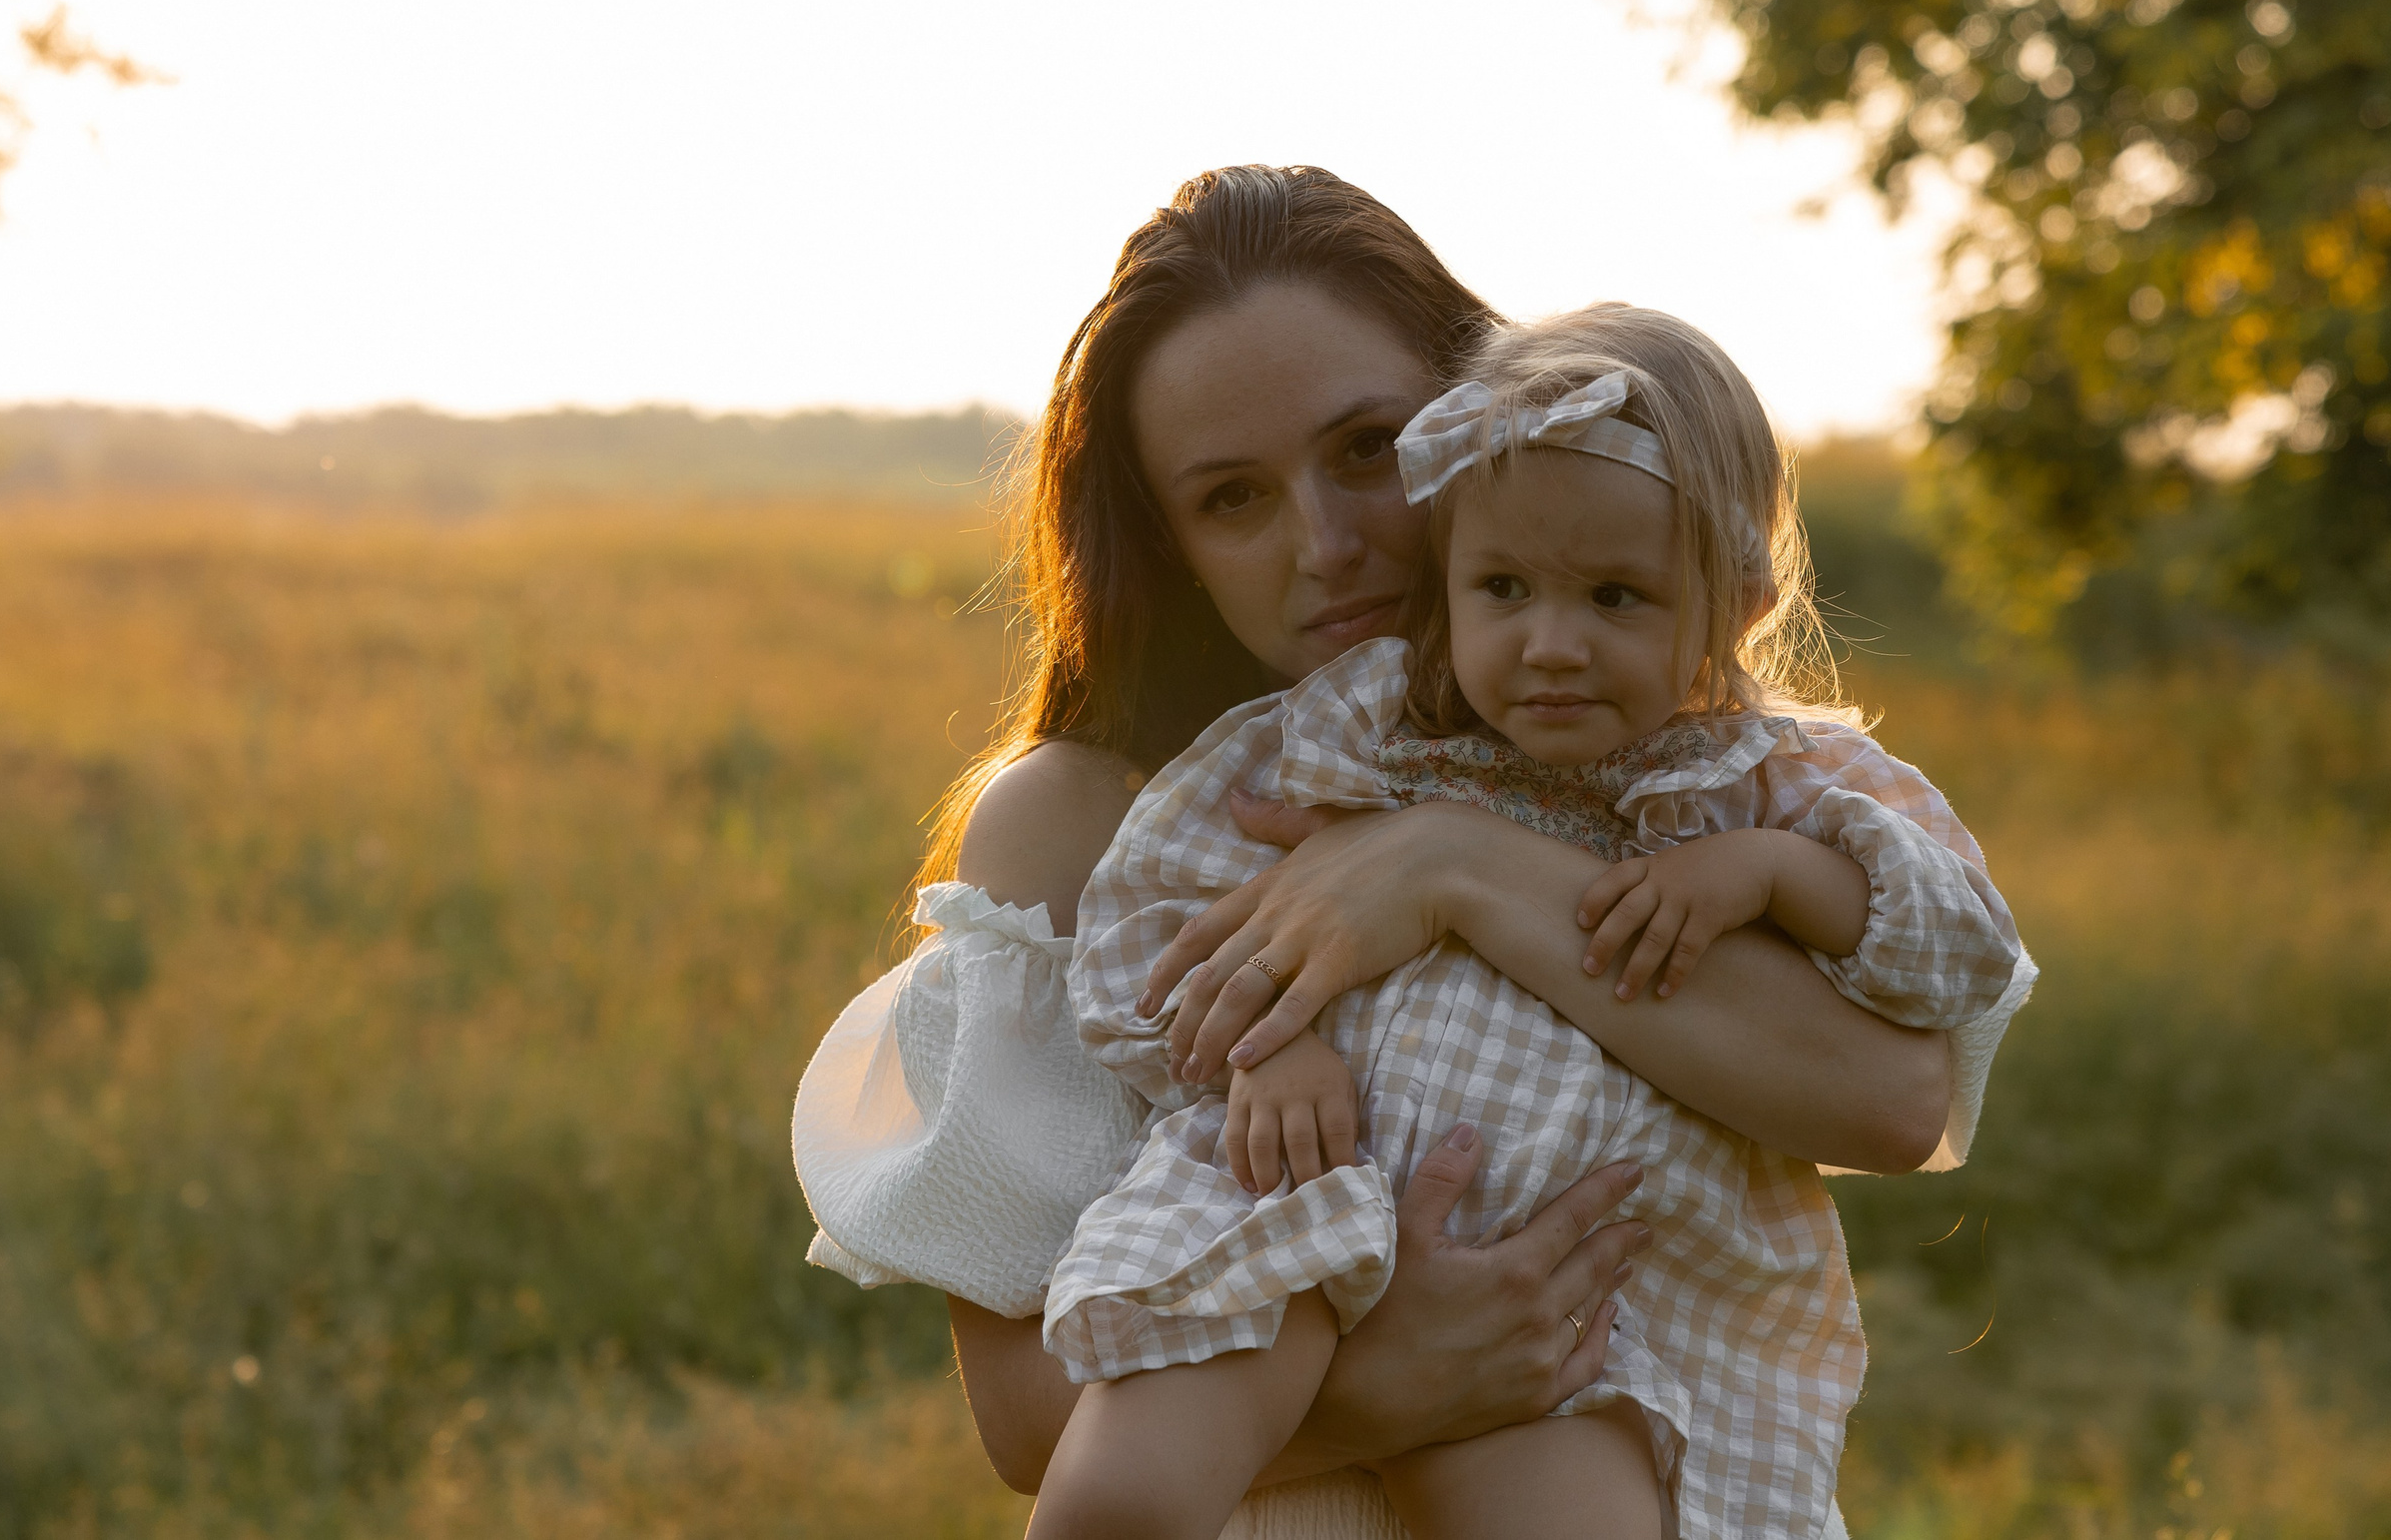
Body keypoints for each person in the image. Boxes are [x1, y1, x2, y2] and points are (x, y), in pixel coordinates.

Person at [793, 166, 1994, 1539]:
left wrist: (1448, 864)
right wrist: (1396, 1379)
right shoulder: (1087, 816)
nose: (1329, 543)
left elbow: (1895, 1102)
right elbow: (1024, 1425)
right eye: (1234, 498)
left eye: (1369, 448)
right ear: (1171, 544)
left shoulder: (1677, 759)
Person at [1034, 305, 2032, 1540]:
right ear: (1451, 568)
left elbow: (1955, 949)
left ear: (1740, 598)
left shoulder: (1773, 786)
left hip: (1573, 1298)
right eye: (1501, 588)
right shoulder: (1373, 724)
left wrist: (1772, 872)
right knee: (1117, 1500)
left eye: (1616, 595)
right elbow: (1166, 910)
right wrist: (1268, 1047)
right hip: (1293, 1187)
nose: (1550, 646)